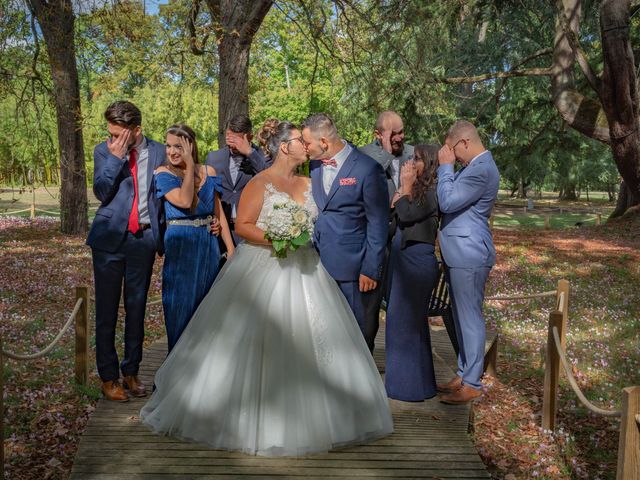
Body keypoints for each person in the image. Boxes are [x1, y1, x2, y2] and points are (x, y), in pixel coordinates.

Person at [140, 121, 393, 456]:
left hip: (308, 269)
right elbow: (243, 226)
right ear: (285, 146)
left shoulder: (311, 180)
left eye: (307, 140)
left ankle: (324, 414)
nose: (306, 146)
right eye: (300, 141)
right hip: (264, 266)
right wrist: (278, 238)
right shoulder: (259, 183)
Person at [86, 101, 165, 402]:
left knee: (137, 308)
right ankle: (108, 378)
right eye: (110, 133)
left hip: (143, 240)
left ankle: (130, 372)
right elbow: (102, 192)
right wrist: (116, 158)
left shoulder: (158, 151)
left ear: (136, 130)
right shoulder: (104, 151)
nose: (112, 138)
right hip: (108, 241)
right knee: (106, 312)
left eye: (119, 134)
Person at [302, 113, 389, 353]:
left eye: (307, 143)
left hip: (355, 270)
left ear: (324, 143)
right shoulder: (315, 166)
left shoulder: (368, 169)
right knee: (328, 336)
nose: (304, 148)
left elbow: (378, 223)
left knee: (358, 335)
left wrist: (370, 268)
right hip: (319, 267)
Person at [154, 124, 235, 353]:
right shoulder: (163, 173)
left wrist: (230, 249)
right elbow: (185, 201)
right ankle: (175, 372)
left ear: (191, 146)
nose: (171, 152)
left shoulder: (209, 172)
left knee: (208, 307)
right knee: (180, 306)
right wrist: (189, 167)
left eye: (178, 146)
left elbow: (218, 212)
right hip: (181, 245)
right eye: (168, 146)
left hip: (208, 243)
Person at [436, 120, 500, 405]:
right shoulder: (473, 167)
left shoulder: (481, 169)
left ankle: (472, 383)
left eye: (451, 149)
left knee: (470, 319)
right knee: (462, 317)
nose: (450, 155)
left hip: (470, 253)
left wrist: (445, 168)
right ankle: (464, 373)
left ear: (463, 142)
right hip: (459, 251)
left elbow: (448, 202)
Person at [384, 144, 440, 402]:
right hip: (402, 261)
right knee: (408, 325)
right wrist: (401, 194)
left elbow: (405, 215)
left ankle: (405, 390)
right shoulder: (415, 191)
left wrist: (403, 190)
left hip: (416, 264)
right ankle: (421, 386)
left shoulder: (432, 192)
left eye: (417, 159)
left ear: (428, 163)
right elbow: (394, 220)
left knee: (403, 325)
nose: (410, 163)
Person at [205, 114, 270, 244]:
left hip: (250, 231)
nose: (232, 144)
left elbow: (270, 181)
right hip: (221, 231)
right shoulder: (214, 157)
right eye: (230, 137)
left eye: (237, 139)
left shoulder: (262, 157)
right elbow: (206, 195)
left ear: (249, 136)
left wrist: (250, 153)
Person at [359, 111, 414, 201]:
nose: (398, 138)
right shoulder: (363, 155)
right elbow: (367, 179)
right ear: (378, 134)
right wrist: (387, 154)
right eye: (392, 134)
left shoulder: (413, 153)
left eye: (400, 132)